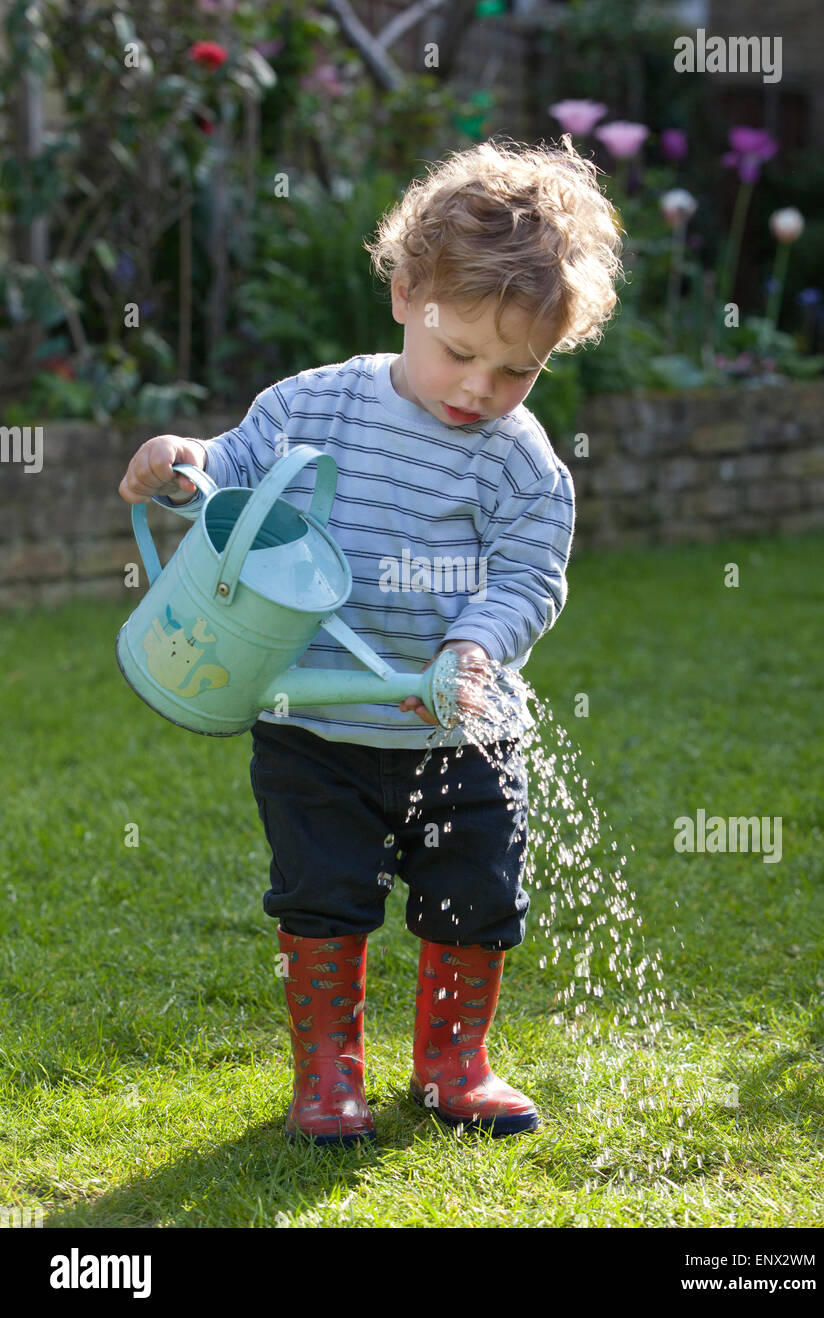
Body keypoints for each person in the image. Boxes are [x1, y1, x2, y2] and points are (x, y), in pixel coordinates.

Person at [118, 134, 622, 1144]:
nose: (478, 389)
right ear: (404, 292)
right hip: (313, 725)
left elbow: (528, 579)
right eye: (460, 352)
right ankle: (328, 1078)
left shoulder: (520, 465)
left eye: (515, 370)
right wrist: (180, 461)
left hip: (458, 736)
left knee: (474, 897)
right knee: (320, 895)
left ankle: (451, 1065)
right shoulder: (313, 406)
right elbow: (233, 474)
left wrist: (472, 650)